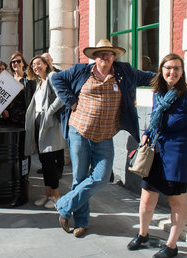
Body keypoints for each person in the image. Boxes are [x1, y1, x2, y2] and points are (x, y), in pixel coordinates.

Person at [51, 39, 155, 237]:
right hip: (79, 132)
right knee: (80, 177)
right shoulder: (81, 71)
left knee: (101, 177)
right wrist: (71, 101)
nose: (105, 57)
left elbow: (149, 77)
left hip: (105, 135)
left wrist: (173, 77)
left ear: (114, 56)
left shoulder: (125, 72)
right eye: (100, 54)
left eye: (109, 53)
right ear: (94, 57)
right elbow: (57, 79)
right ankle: (81, 222)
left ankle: (64, 205)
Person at [126, 53, 187, 258]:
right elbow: (155, 119)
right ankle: (143, 234)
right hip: (155, 154)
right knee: (146, 198)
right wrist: (147, 134)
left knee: (176, 201)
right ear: (161, 71)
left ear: (182, 72)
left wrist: (179, 139)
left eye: (177, 69)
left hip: (177, 158)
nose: (172, 72)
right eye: (168, 68)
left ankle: (171, 245)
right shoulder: (158, 94)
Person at [25, 55, 65, 209]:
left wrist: (49, 112)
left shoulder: (52, 77)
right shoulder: (39, 82)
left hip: (48, 123)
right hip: (38, 122)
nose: (36, 67)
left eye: (39, 64)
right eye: (33, 65)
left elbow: (61, 97)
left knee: (50, 161)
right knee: (44, 160)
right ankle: (48, 193)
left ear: (46, 64)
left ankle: (55, 195)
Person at [41, 52, 64, 178]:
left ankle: (59, 169)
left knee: (58, 144)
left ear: (51, 60)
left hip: (57, 114)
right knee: (47, 143)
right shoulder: (41, 76)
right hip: (46, 115)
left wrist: (51, 110)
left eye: (47, 60)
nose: (45, 62)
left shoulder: (57, 73)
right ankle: (47, 167)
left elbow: (61, 95)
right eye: (43, 60)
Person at [7, 52, 36, 127]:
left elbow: (34, 96)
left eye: (18, 61)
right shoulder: (8, 79)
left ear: (23, 63)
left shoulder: (29, 79)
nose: (16, 63)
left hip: (24, 116)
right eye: (13, 62)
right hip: (9, 116)